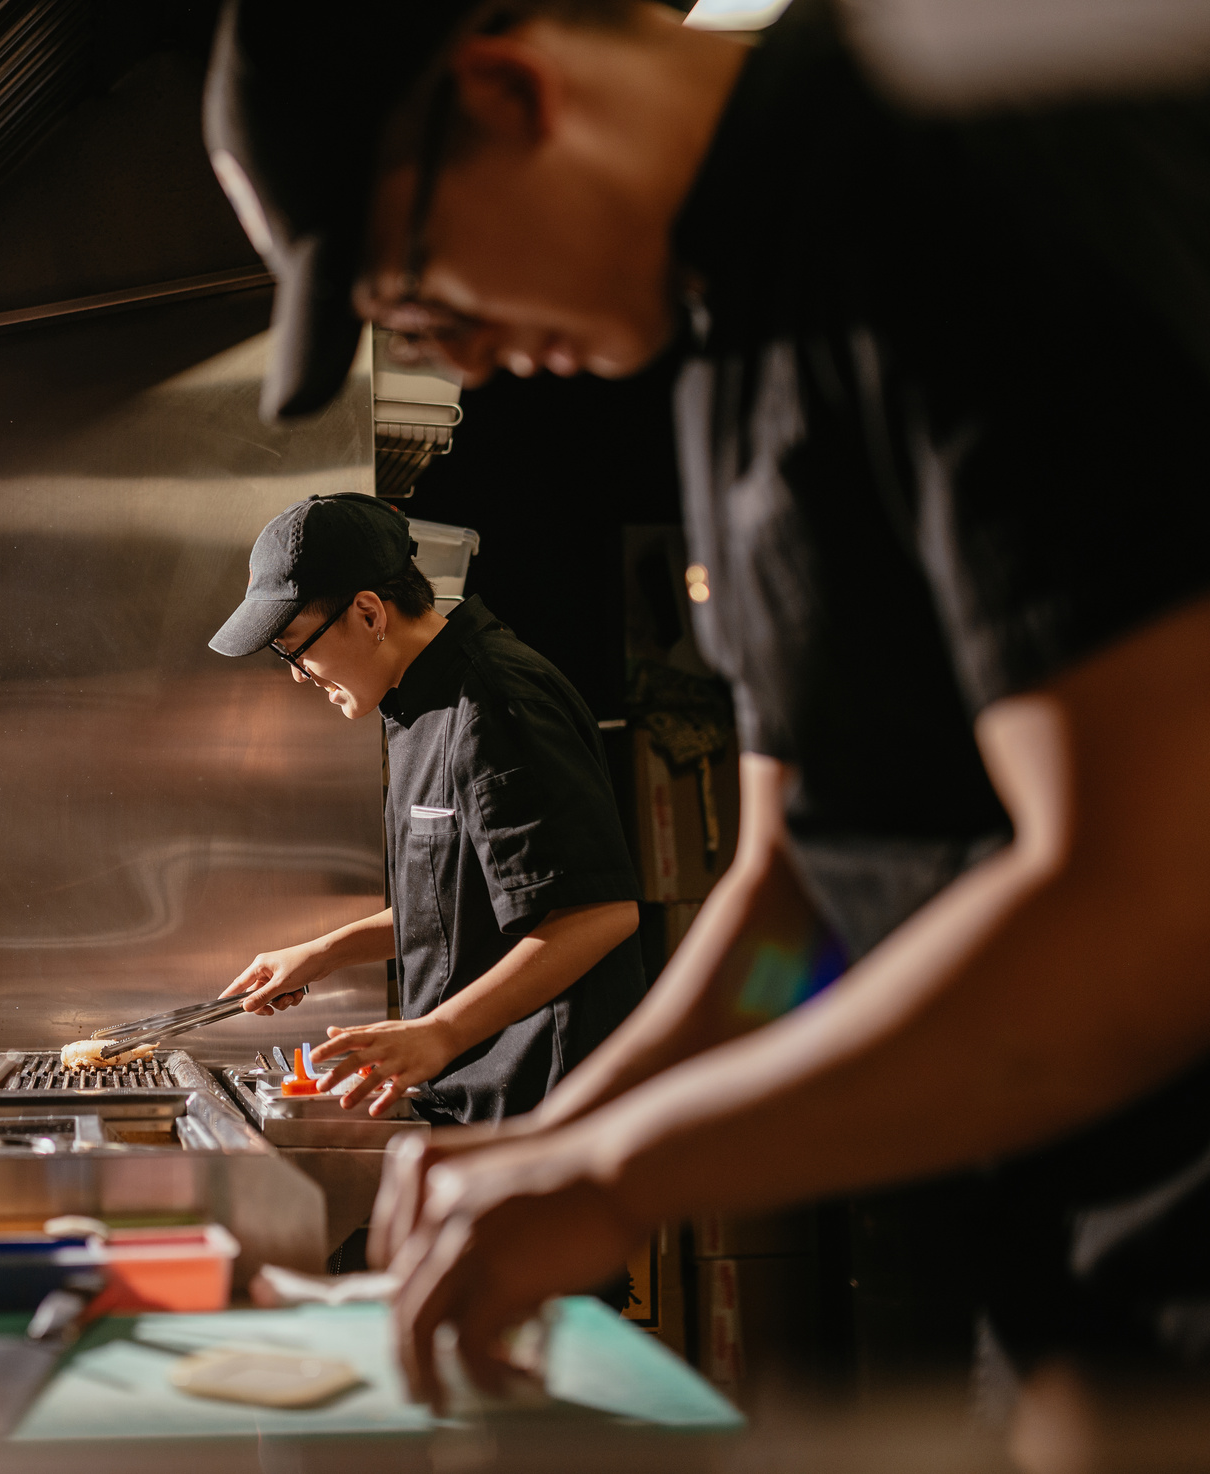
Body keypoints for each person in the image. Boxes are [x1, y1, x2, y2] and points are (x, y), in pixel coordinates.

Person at [204, 0, 1210, 1437]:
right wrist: (564, 1139)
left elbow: (1157, 890)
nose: (469, 360)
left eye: (425, 299)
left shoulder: (959, 164)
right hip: (1076, 1258)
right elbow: (797, 885)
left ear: (505, 94)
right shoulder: (732, 325)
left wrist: (621, 1174)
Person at [208, 491, 646, 1126]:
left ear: (367, 612)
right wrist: (322, 954)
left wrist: (440, 1030)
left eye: (297, 646)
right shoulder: (414, 702)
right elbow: (466, 901)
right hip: (477, 1099)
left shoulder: (494, 703)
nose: (299, 674)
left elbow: (598, 914)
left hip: (547, 1105)